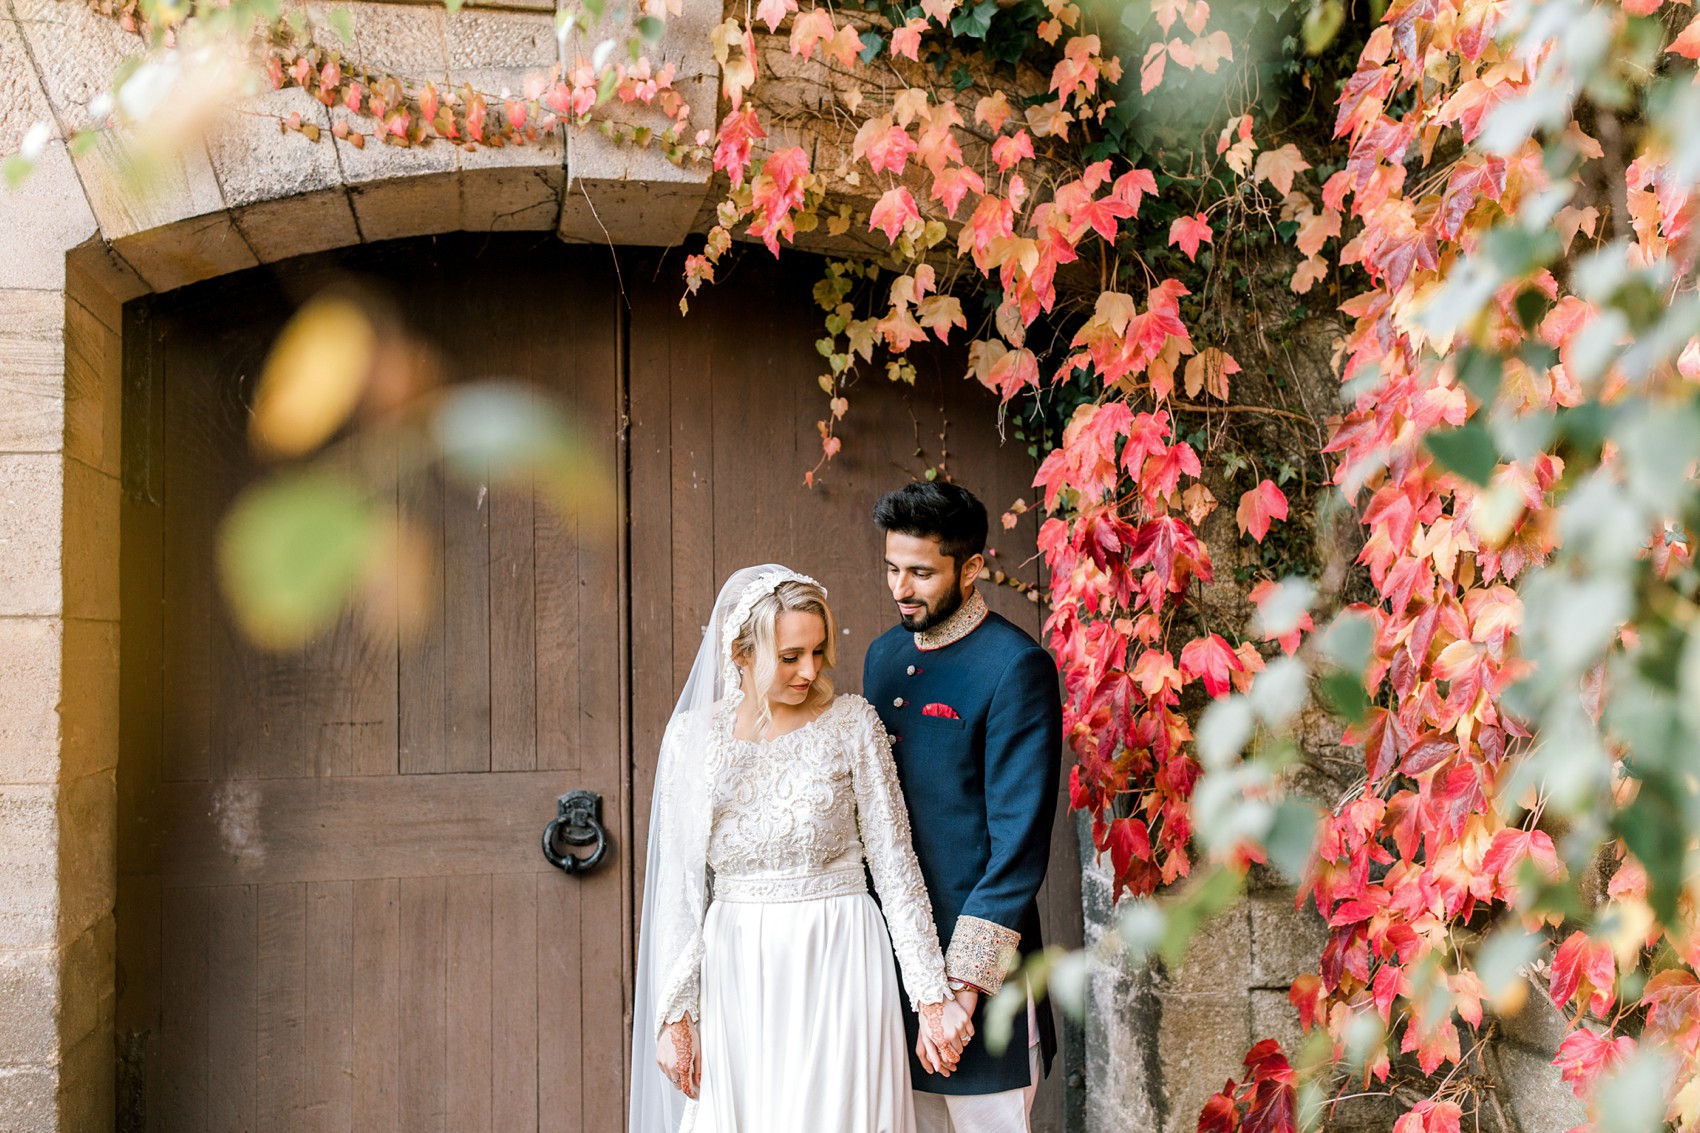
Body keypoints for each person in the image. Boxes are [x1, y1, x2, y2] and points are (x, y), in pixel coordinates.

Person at [629, 565, 975, 1133]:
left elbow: (895, 864)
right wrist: (675, 1015)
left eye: (817, 652)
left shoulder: (852, 724)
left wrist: (930, 997)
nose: (810, 671)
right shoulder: (692, 738)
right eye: (790, 657)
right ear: (741, 653)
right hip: (737, 967)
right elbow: (680, 887)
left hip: (841, 954)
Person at [863, 483, 1063, 1133]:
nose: (901, 587)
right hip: (892, 970)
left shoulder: (1016, 666)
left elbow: (1018, 846)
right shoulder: (882, 657)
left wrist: (960, 992)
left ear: (971, 567)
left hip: (982, 979)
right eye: (893, 568)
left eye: (921, 572)